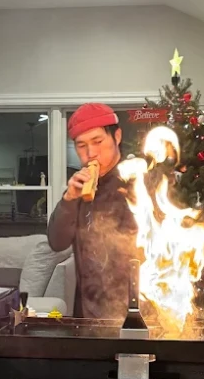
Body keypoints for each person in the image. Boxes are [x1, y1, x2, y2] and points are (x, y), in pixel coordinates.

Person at [48, 103, 137, 320]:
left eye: (98, 141)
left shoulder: (140, 181)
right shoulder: (80, 189)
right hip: (89, 313)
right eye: (81, 145)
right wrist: (69, 199)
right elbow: (56, 243)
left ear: (116, 136)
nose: (90, 153)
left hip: (139, 312)